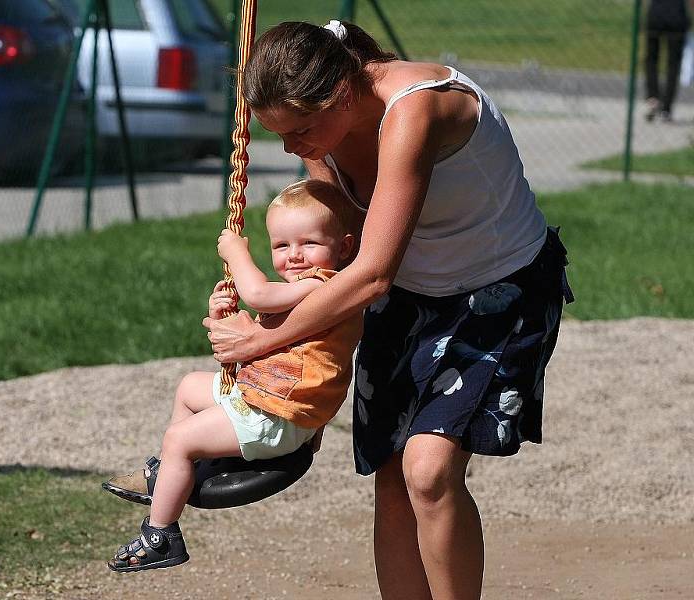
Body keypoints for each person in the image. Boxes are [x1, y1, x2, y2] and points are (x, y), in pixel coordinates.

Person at [202, 20, 575, 600]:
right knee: (393, 479)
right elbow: (338, 257)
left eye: (300, 129)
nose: (293, 147)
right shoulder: (327, 137)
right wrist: (263, 310)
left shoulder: (416, 108)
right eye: (281, 135)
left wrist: (259, 342)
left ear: (342, 94)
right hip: (407, 295)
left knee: (428, 474)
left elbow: (371, 274)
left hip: (496, 290)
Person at [105, 179, 363, 572]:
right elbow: (263, 327)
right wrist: (224, 309)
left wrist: (236, 253)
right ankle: (172, 471)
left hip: (277, 417)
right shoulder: (298, 288)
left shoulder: (325, 285)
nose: (294, 256)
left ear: (342, 247)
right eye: (281, 246)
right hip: (262, 398)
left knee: (180, 438)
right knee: (189, 387)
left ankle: (161, 535)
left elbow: (258, 295)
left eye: (308, 243)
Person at [644, 0, 693, 121]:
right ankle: (666, 108)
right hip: (676, 17)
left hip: (656, 15)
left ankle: (653, 97)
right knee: (673, 64)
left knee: (651, 58)